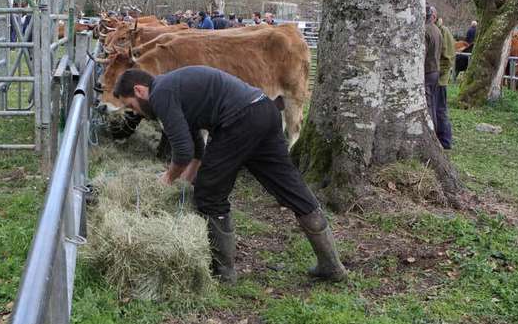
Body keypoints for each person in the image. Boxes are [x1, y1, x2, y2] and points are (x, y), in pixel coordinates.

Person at [113, 66, 348, 284]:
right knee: (290, 186)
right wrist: (186, 179)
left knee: (209, 195)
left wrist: (168, 178)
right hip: (264, 110)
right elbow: (195, 148)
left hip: (239, 120)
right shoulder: (174, 85)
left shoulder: (161, 94)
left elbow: (182, 152)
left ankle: (224, 272)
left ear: (139, 90)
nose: (136, 113)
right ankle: (331, 265)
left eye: (131, 106)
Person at [435, 14, 455, 149]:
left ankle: (445, 140)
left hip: (440, 80)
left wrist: (439, 74)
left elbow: (448, 58)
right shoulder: (435, 29)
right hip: (434, 77)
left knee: (440, 110)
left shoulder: (443, 31)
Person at [424, 5, 442, 124]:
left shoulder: (425, 30)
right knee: (433, 103)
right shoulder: (437, 30)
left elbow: (423, 53)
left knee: (428, 104)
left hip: (428, 70)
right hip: (436, 70)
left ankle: (432, 129)